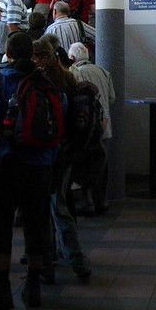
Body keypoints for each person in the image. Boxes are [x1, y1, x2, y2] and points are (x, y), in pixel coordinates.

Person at [0, 31, 59, 310]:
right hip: (39, 165)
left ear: (8, 53)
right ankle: (33, 285)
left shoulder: (1, 79)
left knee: (1, 225)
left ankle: (2, 288)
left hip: (6, 164)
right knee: (36, 225)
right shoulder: (44, 80)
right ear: (32, 53)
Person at [32, 39, 91, 280]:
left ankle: (67, 258)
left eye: (35, 57)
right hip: (66, 152)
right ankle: (70, 257)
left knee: (52, 207)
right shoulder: (68, 78)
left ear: (43, 59)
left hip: (48, 152)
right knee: (60, 205)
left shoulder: (43, 83)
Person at [68, 42, 114, 215]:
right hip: (104, 125)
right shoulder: (103, 71)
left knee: (84, 166)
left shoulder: (77, 73)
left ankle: (88, 202)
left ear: (72, 58)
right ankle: (102, 200)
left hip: (86, 128)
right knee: (101, 166)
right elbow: (112, 98)